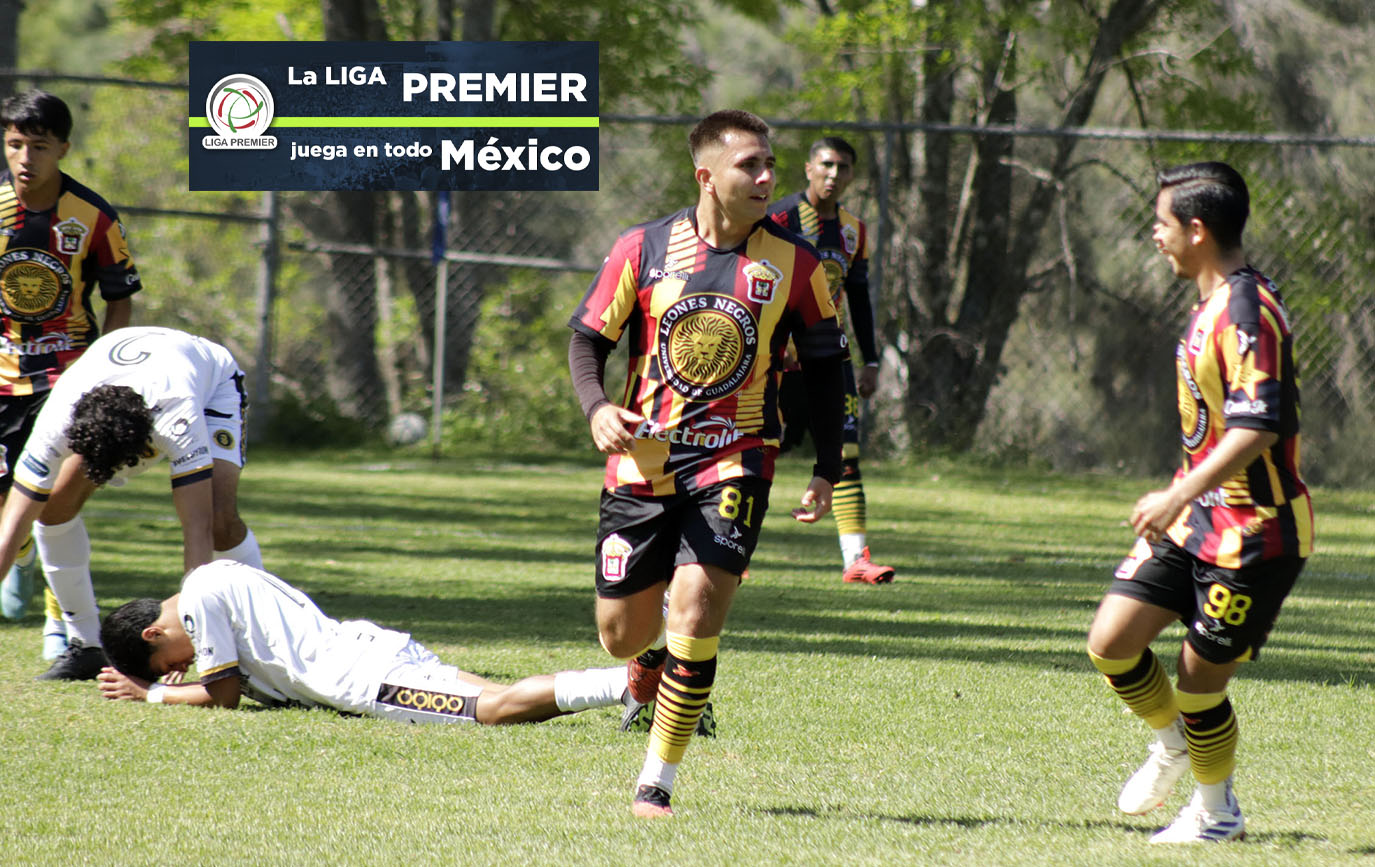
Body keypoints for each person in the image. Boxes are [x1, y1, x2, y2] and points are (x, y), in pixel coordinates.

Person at [567, 109, 849, 817]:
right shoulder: (642, 247)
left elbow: (826, 369)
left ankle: (655, 781)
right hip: (642, 462)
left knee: (696, 606)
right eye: (749, 165)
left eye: (769, 164)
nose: (766, 177)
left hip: (735, 457)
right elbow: (586, 341)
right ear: (705, 176)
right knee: (620, 634)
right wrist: (597, 408)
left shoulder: (796, 263)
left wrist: (828, 466)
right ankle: (647, 658)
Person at [1086, 162, 1312, 844]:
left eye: (1160, 224)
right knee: (1111, 643)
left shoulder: (1247, 311)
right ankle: (1172, 745)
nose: (1153, 236)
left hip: (1257, 531)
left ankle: (1216, 813)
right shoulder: (1213, 303)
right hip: (1197, 520)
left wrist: (1175, 491)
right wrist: (1185, 499)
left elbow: (1257, 425)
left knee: (1196, 684)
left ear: (1196, 229)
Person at [0, 325, 262, 681]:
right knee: (55, 508)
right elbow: (11, 530)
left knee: (219, 520)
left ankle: (260, 636)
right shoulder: (57, 419)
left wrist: (197, 638)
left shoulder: (177, 418)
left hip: (210, 382)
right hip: (128, 377)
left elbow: (196, 529)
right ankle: (85, 644)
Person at [96, 559, 634, 725]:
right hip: (367, 646)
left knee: (491, 711)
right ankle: (630, 686)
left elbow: (224, 696)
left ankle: (629, 684)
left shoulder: (196, 602)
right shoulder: (211, 576)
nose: (183, 664)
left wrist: (153, 693)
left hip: (362, 679)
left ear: (154, 633)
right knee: (500, 693)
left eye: (168, 661)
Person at [0, 90, 142, 661]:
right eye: (15, 144)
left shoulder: (93, 216)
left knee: (53, 502)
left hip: (66, 378)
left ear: (63, 148)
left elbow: (120, 298)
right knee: (11, 504)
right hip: (3, 378)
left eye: (38, 146)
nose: (25, 158)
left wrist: (102, 368)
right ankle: (23, 556)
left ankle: (58, 620)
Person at [768, 136, 894, 585]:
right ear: (808, 168)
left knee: (845, 454)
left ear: (852, 175)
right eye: (826, 164)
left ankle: (856, 558)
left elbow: (858, 297)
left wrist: (871, 360)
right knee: (755, 450)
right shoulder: (778, 219)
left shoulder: (853, 230)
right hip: (777, 359)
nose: (834, 174)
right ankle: (726, 551)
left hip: (830, 359)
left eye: (843, 167)